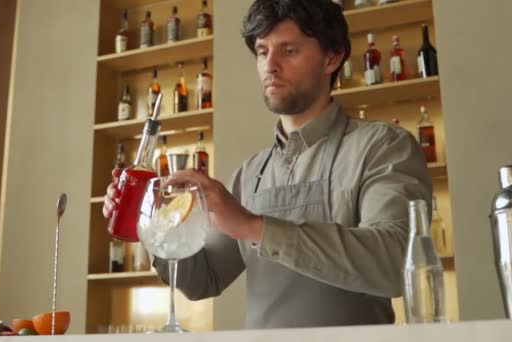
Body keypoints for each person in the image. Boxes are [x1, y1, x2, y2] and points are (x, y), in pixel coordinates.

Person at [103, 0, 431, 329]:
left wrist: (253, 226)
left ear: (332, 58)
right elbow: (204, 280)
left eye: (288, 51)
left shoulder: (383, 147)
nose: (270, 66)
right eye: (262, 51)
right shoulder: (250, 174)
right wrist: (151, 222)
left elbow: (397, 262)